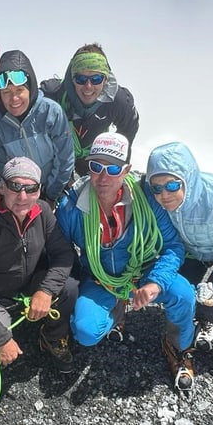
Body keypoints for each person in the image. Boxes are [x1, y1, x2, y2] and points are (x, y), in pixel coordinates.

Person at [56, 132, 197, 393]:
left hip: (143, 272)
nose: (103, 176)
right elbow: (60, 252)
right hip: (100, 279)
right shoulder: (71, 206)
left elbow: (174, 247)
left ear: (127, 170)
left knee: (184, 294)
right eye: (96, 166)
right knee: (86, 332)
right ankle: (118, 308)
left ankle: (178, 347)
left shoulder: (146, 200)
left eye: (113, 168)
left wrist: (155, 283)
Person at [146, 142, 213, 383]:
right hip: (191, 251)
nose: (164, 194)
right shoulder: (155, 198)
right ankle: (202, 325)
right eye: (157, 187)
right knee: (184, 294)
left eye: (172, 185)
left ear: (188, 179)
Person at [0, 156, 78, 373]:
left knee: (69, 287)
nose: (22, 196)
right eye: (14, 186)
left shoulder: (43, 212)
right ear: (1, 187)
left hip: (28, 286)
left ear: (39, 191)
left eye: (30, 189)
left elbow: (64, 254)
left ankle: (51, 337)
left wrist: (46, 291)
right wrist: (1, 338)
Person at [0, 50, 75, 209]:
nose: (14, 99)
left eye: (20, 90)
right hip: (21, 195)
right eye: (6, 92)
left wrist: (49, 195)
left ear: (31, 88)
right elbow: (3, 167)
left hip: (56, 191)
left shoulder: (51, 112)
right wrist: (23, 194)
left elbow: (64, 160)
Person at [41, 43, 140, 177]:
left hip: (94, 163)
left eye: (96, 79)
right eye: (81, 79)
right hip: (57, 159)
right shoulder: (52, 94)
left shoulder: (119, 102)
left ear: (105, 79)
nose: (88, 86)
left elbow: (129, 128)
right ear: (72, 78)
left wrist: (117, 168)